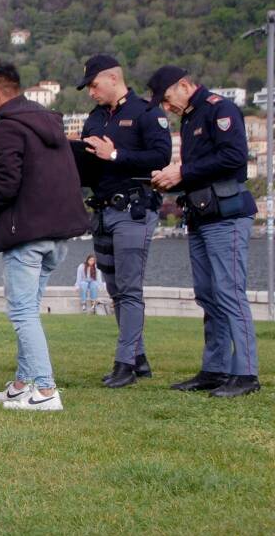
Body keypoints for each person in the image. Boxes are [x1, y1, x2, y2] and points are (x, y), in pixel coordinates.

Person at [0, 61, 89, 412]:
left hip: (26, 233)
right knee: (29, 309)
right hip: (58, 234)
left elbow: (4, 184)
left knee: (21, 314)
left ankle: (45, 390)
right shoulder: (48, 123)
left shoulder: (6, 128)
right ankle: (22, 383)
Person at [149, 66, 261, 398]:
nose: (166, 108)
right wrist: (172, 177)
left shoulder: (219, 109)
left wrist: (182, 172)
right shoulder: (192, 117)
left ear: (184, 85)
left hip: (227, 215)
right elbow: (198, 170)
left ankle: (246, 372)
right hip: (201, 215)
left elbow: (234, 157)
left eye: (167, 99)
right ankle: (215, 370)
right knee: (208, 294)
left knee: (229, 293)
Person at [72, 55, 172, 388]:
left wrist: (114, 155)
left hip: (133, 209)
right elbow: (89, 168)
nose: (90, 92)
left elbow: (160, 158)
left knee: (129, 288)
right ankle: (139, 359)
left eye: (93, 85)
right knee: (115, 289)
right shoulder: (95, 119)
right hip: (101, 211)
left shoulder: (146, 113)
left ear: (113, 78)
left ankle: (125, 364)